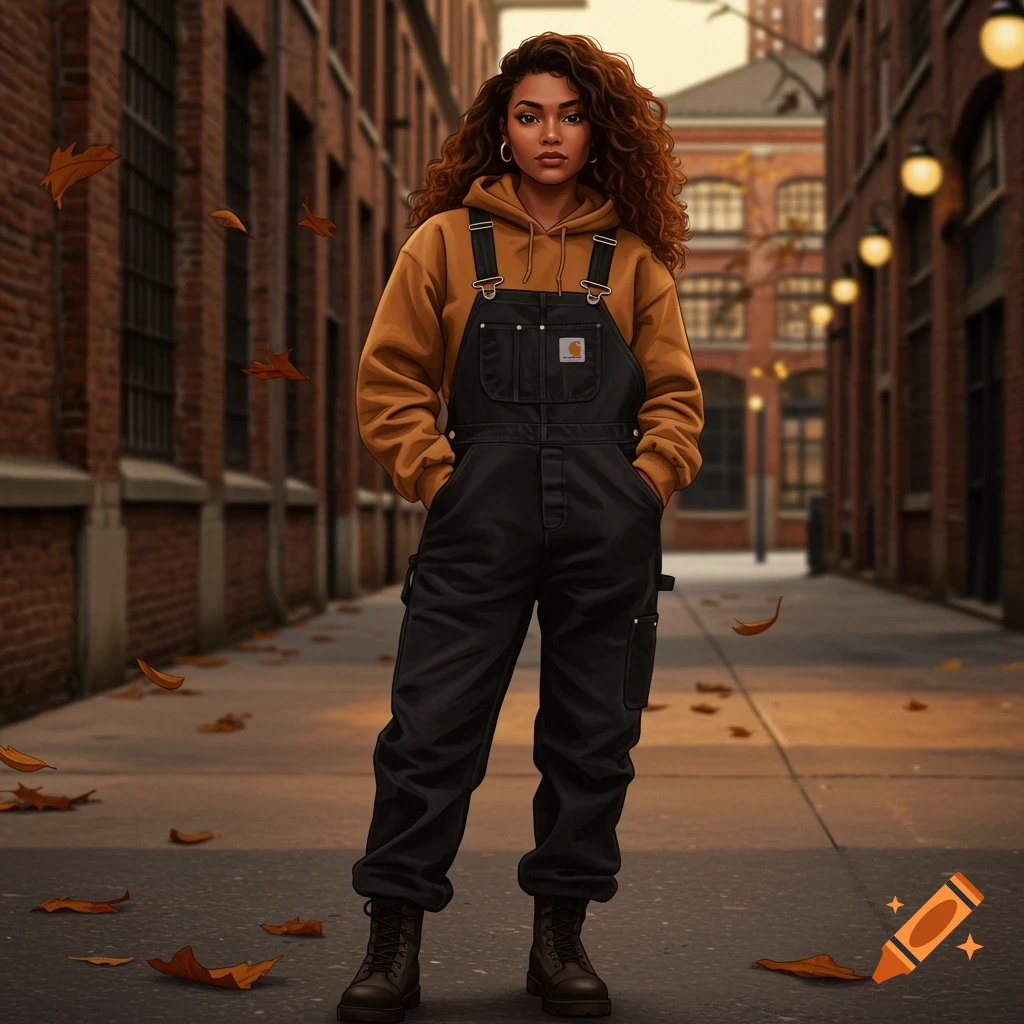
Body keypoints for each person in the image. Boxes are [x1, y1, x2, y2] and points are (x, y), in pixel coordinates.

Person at [337, 31, 704, 1023]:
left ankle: (560, 942)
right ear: (501, 127)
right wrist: (440, 479)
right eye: (531, 112)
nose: (551, 133)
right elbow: (390, 383)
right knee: (430, 729)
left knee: (592, 739)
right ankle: (392, 944)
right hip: (477, 521)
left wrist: (644, 483)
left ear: (597, 131)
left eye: (571, 114)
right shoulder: (447, 244)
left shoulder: (629, 261)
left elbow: (675, 397)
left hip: (606, 525)